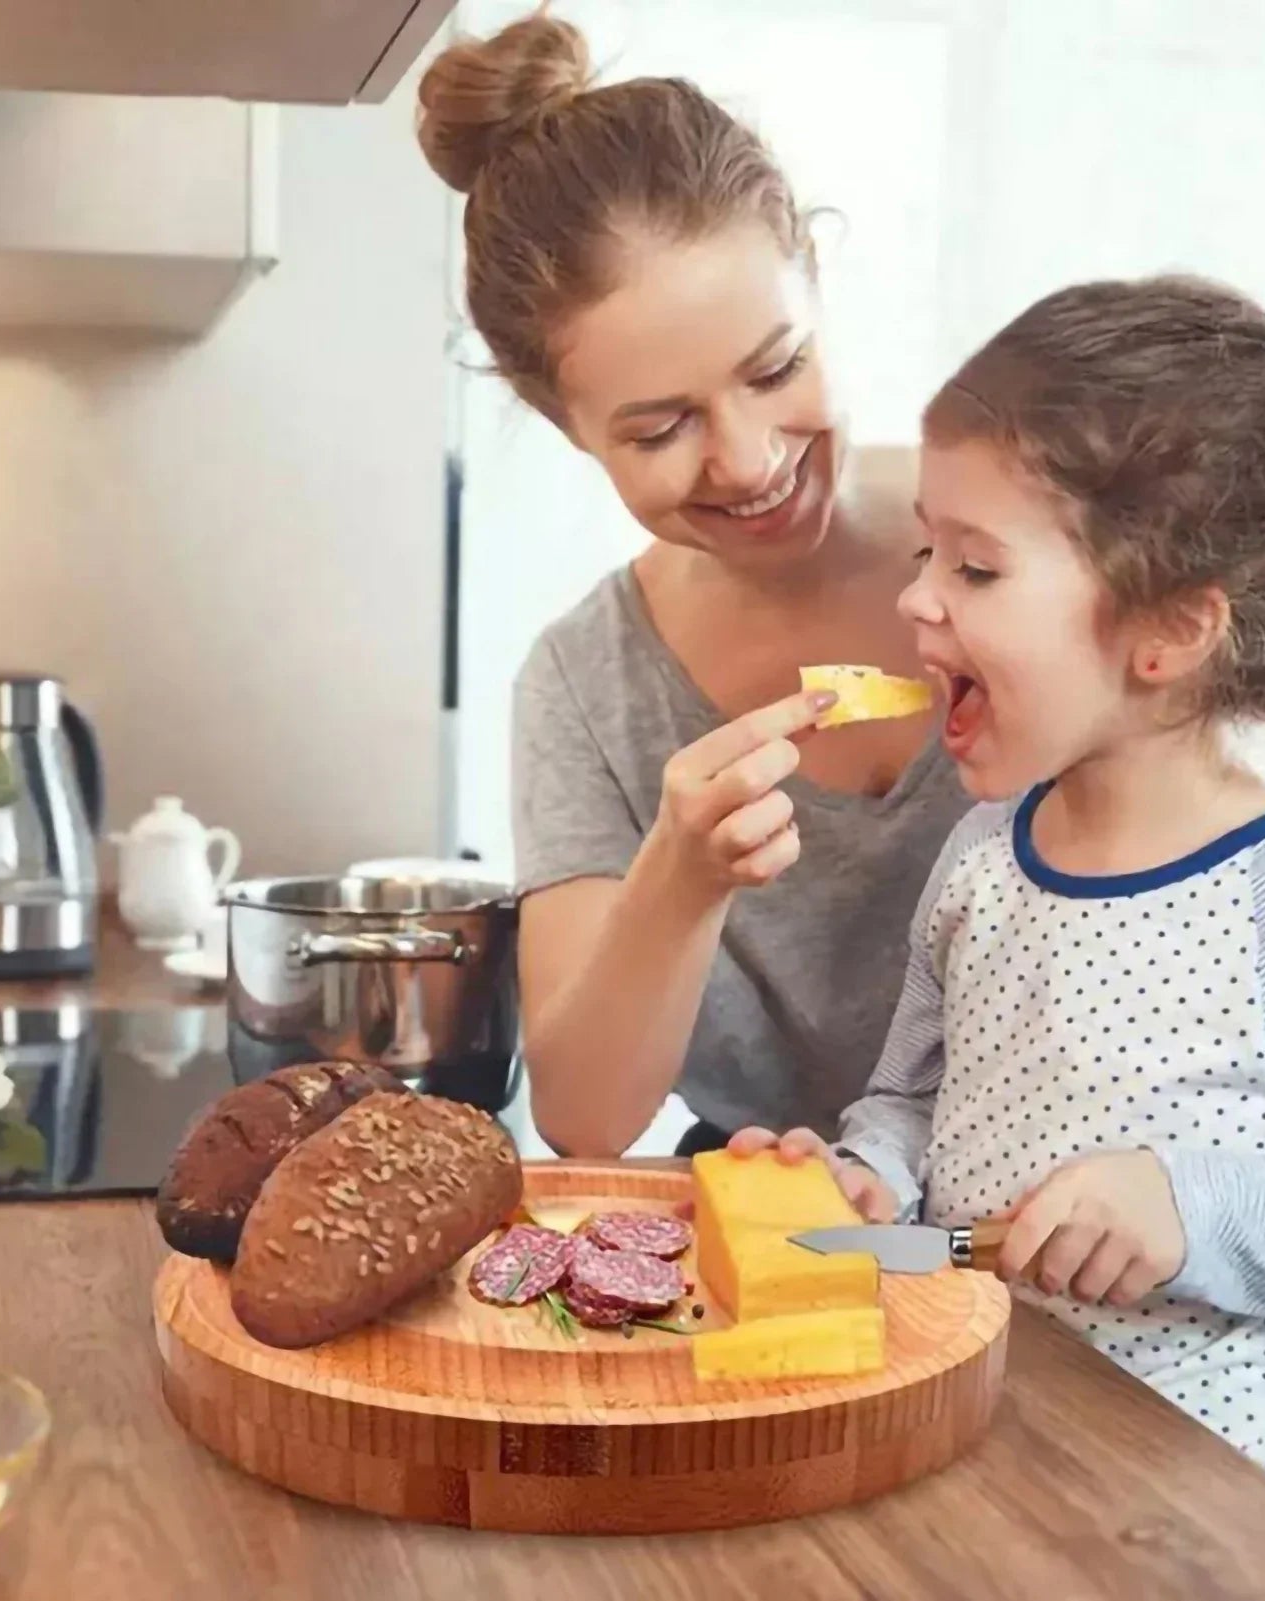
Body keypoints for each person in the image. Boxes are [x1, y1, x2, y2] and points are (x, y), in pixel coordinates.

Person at [731, 276, 1265, 1596]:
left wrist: (1193, 1205)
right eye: (928, 550)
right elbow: (916, 1100)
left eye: (975, 567)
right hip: (1004, 1481)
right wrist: (866, 1179)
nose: (919, 600)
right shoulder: (985, 853)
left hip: (1215, 1538)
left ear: (1169, 630)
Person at [414, 16, 968, 1159]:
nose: (749, 459)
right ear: (567, 426)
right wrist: (680, 873)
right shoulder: (584, 685)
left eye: (775, 369)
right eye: (660, 427)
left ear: (815, 281)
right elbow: (583, 1119)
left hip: (1092, 1241)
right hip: (797, 1242)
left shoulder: (1027, 539)